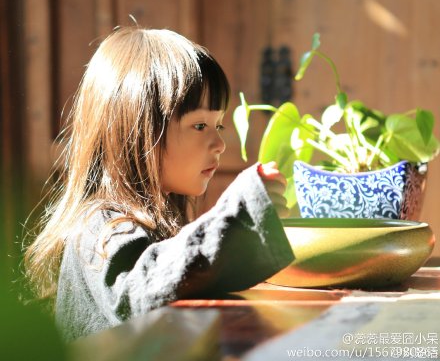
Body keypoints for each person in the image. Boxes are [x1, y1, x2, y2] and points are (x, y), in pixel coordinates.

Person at [23, 26, 294, 342]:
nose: (219, 143)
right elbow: (140, 293)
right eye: (200, 125)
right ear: (139, 133)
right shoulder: (102, 226)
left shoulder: (155, 217)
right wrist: (240, 214)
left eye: (218, 125)